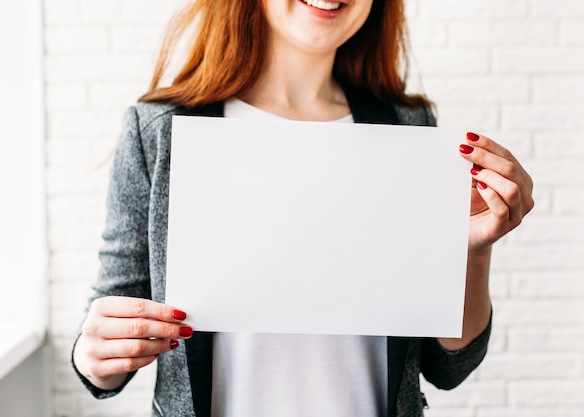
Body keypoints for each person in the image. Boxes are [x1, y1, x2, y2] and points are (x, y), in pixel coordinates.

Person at [72, 1, 534, 416]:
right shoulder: (158, 130)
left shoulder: (409, 128)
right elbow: (110, 338)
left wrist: (471, 251)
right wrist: (93, 356)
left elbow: (449, 366)